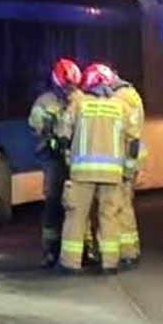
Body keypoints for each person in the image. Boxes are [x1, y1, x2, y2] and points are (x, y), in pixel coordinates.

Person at [55, 62, 126, 275]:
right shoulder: (120, 106)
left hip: (82, 173)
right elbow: (131, 138)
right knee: (109, 218)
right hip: (112, 175)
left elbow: (62, 134)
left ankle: (71, 263)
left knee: (76, 217)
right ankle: (110, 263)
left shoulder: (79, 103)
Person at [28, 57, 82, 266]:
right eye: (65, 87)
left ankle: (79, 248)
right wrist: (49, 135)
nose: (68, 92)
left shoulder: (81, 99)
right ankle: (50, 248)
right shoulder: (45, 102)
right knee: (53, 202)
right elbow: (35, 126)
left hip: (76, 158)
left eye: (72, 87)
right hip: (52, 158)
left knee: (76, 203)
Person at [109, 69, 145, 269]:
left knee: (121, 206)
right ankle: (128, 250)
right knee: (124, 205)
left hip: (125, 159)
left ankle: (128, 252)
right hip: (130, 158)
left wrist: (127, 169)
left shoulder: (121, 98)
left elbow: (129, 136)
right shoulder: (130, 94)